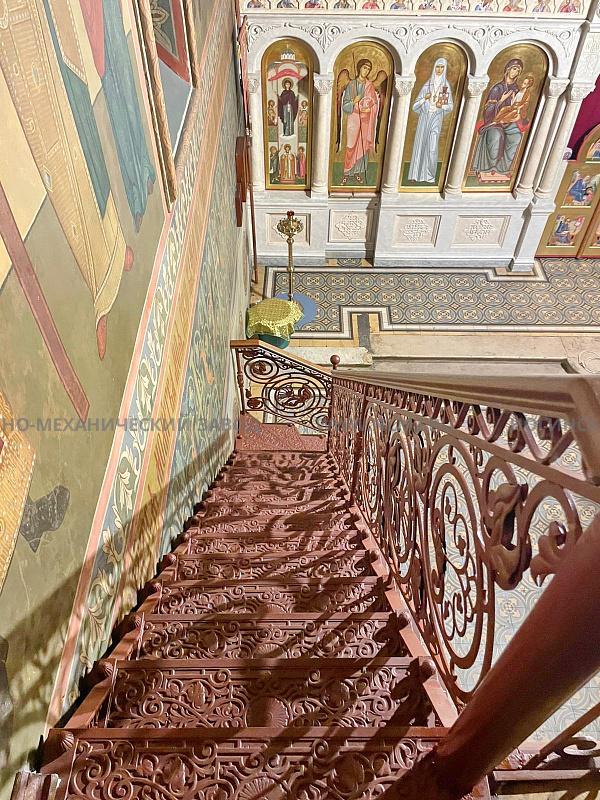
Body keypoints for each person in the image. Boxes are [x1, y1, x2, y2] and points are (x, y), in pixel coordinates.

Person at [471, 58, 525, 181]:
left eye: (518, 71)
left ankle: (502, 168)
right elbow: (488, 110)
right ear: (508, 70)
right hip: (493, 122)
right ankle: (488, 168)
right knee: (495, 136)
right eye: (514, 69)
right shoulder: (497, 88)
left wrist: (515, 107)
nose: (515, 72)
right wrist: (501, 100)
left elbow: (518, 109)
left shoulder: (516, 90)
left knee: (516, 136)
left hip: (508, 122)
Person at [408, 58, 453, 184]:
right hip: (424, 117)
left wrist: (441, 106)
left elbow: (450, 106)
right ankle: (415, 175)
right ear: (434, 68)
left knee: (432, 146)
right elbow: (415, 106)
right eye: (438, 66)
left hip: (436, 118)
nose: (439, 69)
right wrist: (424, 99)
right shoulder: (427, 85)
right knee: (420, 145)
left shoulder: (445, 86)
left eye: (442, 67)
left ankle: (429, 176)